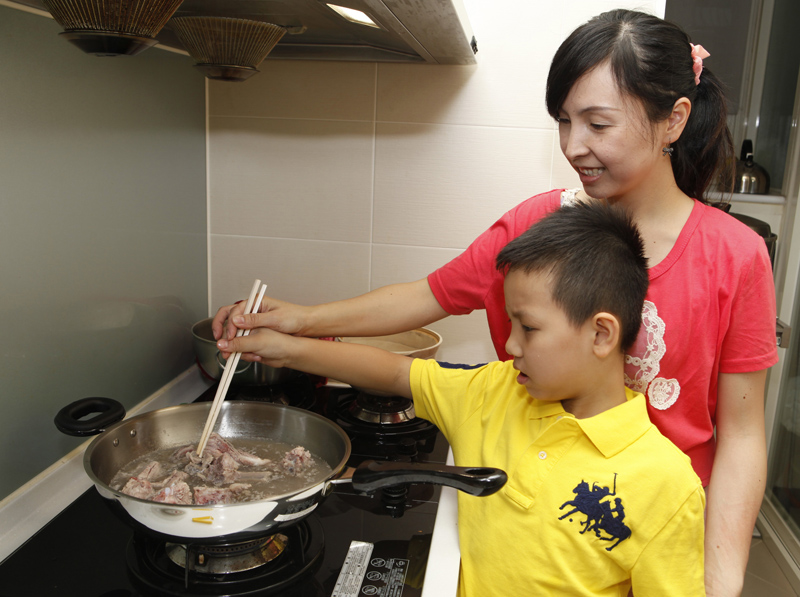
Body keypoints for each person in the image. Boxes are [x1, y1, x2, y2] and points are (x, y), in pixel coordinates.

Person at [214, 9, 778, 595]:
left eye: (598, 124)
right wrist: (302, 322)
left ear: (673, 120)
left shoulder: (734, 256)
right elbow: (426, 296)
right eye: (563, 121)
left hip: (657, 536)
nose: (572, 145)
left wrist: (720, 579)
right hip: (535, 532)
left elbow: (740, 435)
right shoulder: (539, 226)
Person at [217, 202, 707, 596]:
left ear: (602, 334)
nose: (510, 345)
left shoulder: (666, 485)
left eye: (528, 328)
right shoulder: (495, 391)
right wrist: (287, 345)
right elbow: (393, 371)